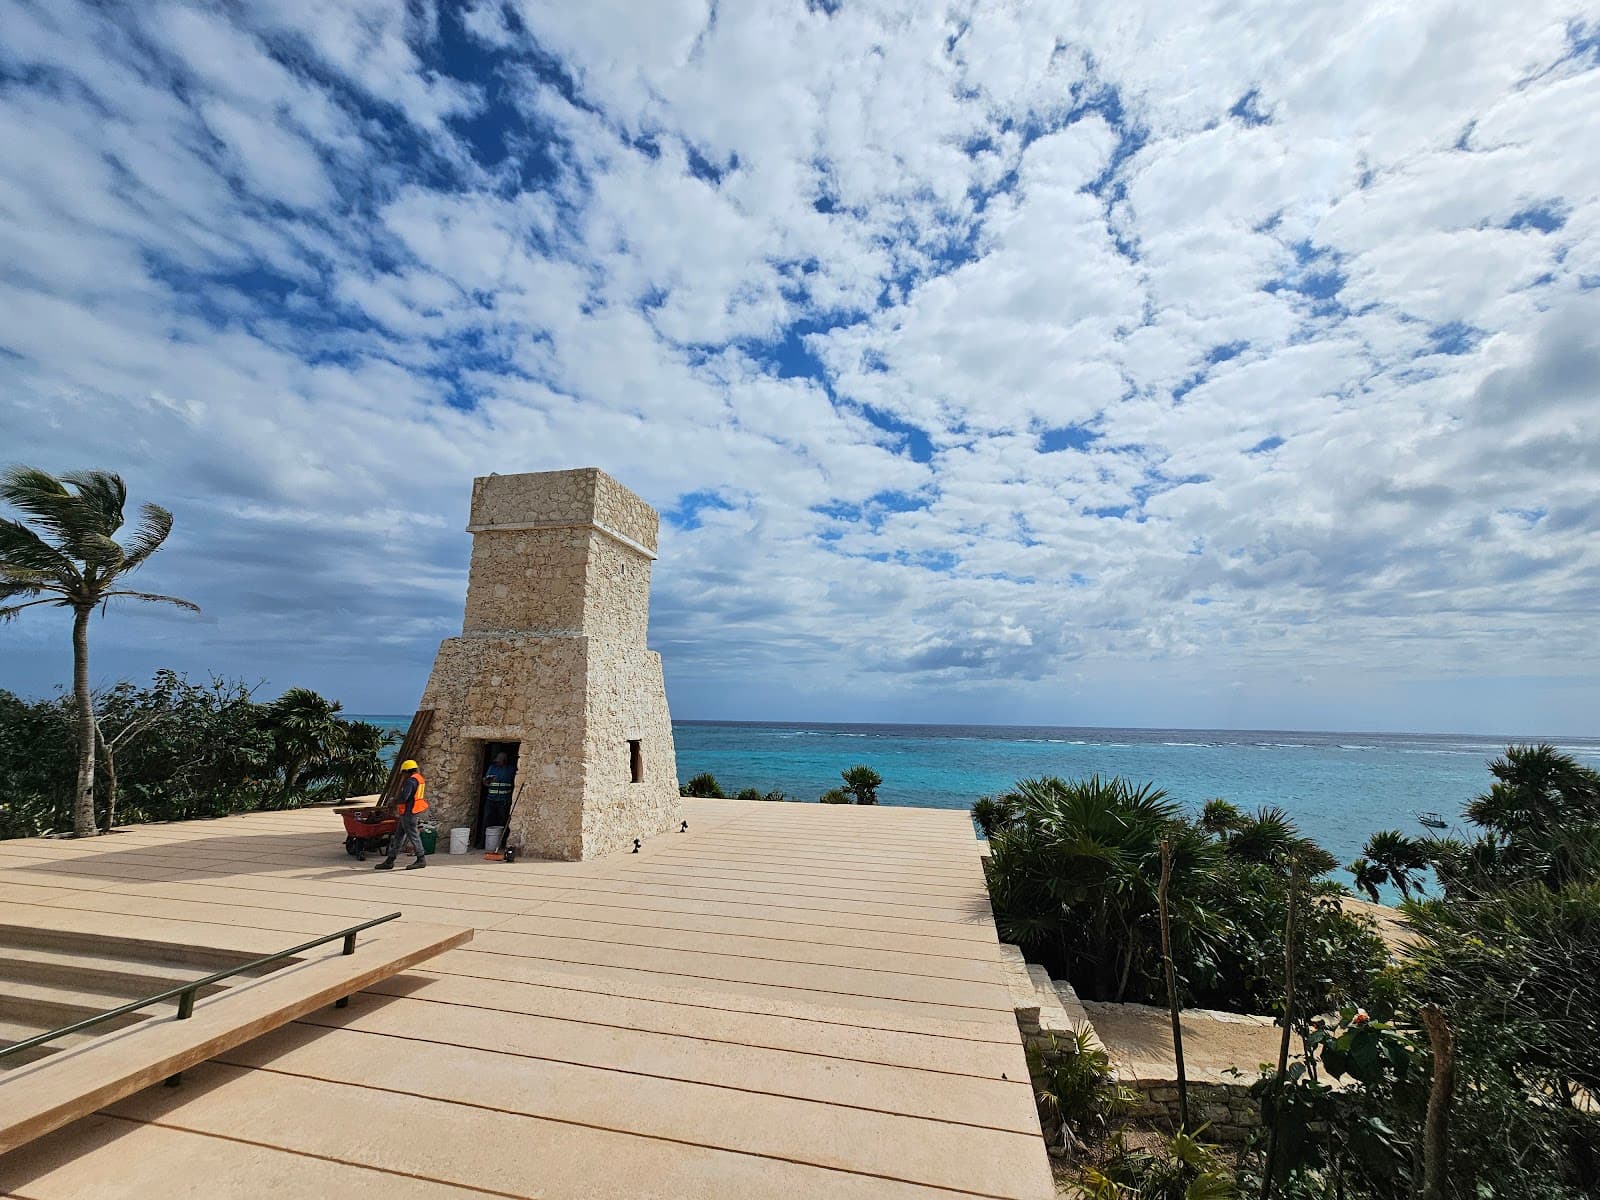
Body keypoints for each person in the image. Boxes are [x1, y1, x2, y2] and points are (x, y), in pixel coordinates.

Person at [374, 759, 428, 871]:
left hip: (409, 812)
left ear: (407, 771)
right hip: (410, 811)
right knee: (398, 836)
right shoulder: (419, 779)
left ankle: (421, 859)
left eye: (403, 772)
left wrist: (393, 801)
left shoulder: (411, 781)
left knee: (413, 836)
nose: (403, 775)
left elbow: (405, 797)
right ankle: (390, 860)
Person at [482, 751, 515, 833]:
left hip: (504, 801)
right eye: (497, 760)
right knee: (487, 820)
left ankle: (501, 842)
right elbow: (485, 783)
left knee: (503, 821)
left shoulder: (510, 769)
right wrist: (487, 780)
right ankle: (483, 842)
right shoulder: (492, 768)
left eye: (500, 760)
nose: (498, 762)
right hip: (491, 799)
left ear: (504, 760)